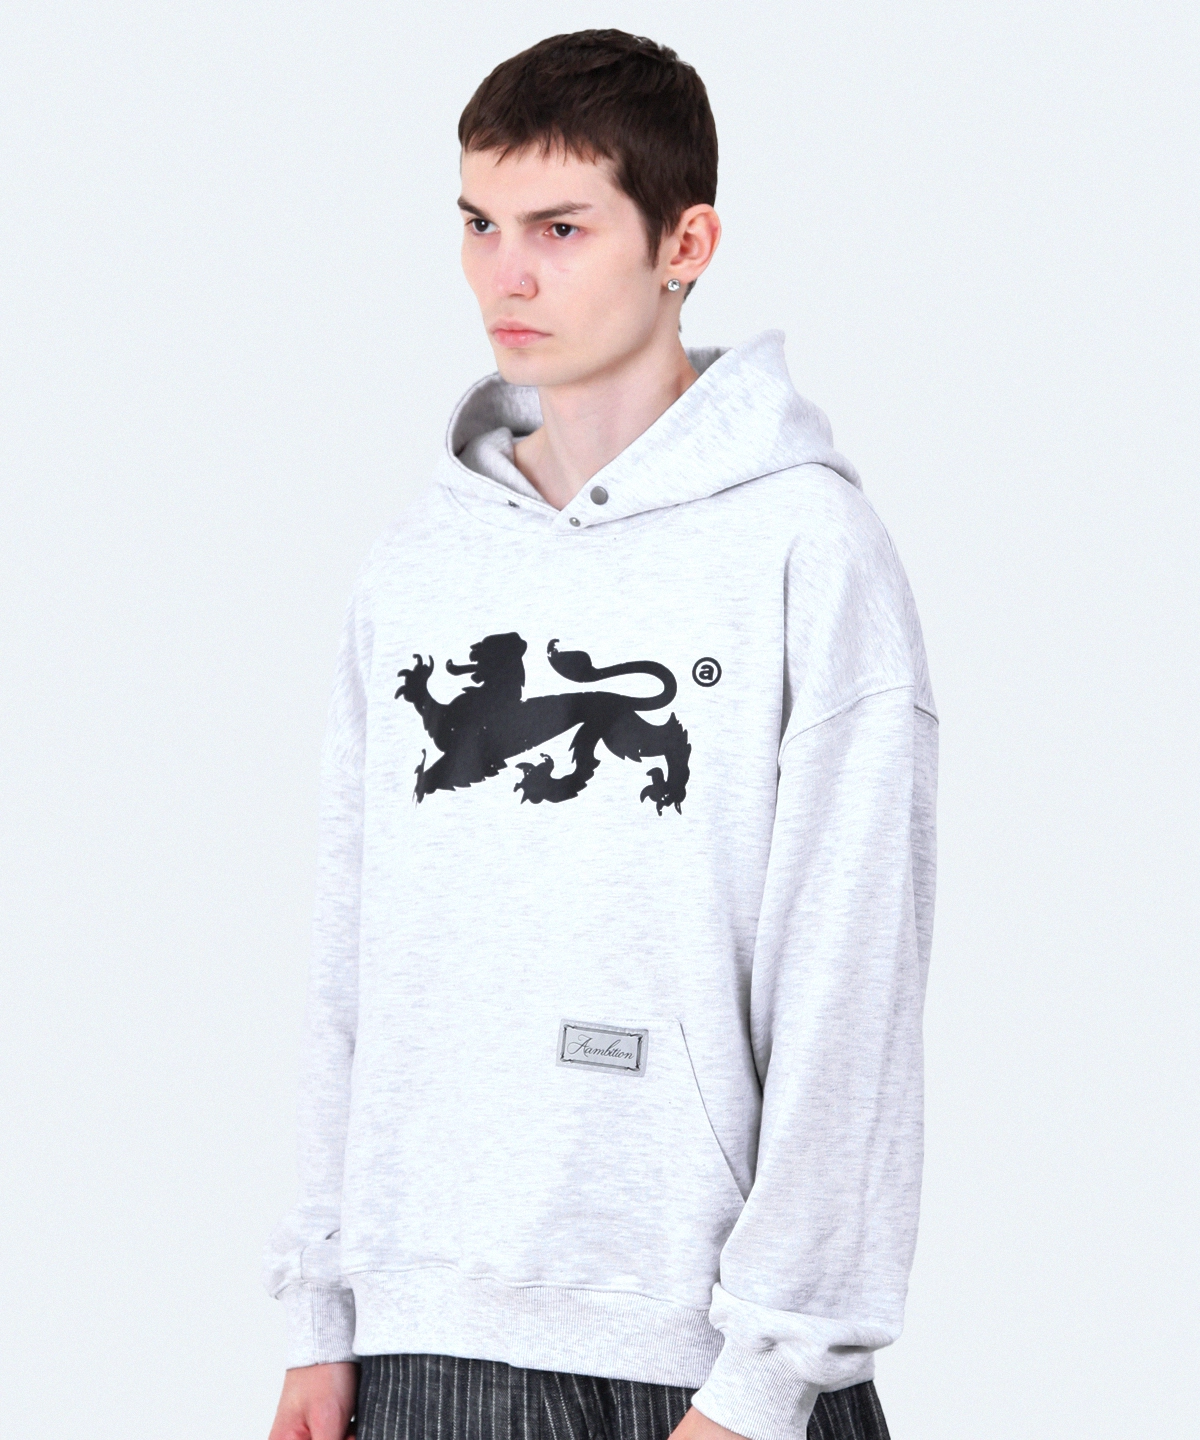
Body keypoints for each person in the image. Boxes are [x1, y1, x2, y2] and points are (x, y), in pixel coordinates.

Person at [264, 29, 937, 1440]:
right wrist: (321, 1316)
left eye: (559, 229)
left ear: (685, 243)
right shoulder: (417, 567)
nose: (504, 276)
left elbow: (850, 989)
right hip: (422, 1342)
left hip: (708, 1364)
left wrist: (766, 1381)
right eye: (480, 225)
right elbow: (350, 961)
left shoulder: (809, 550)